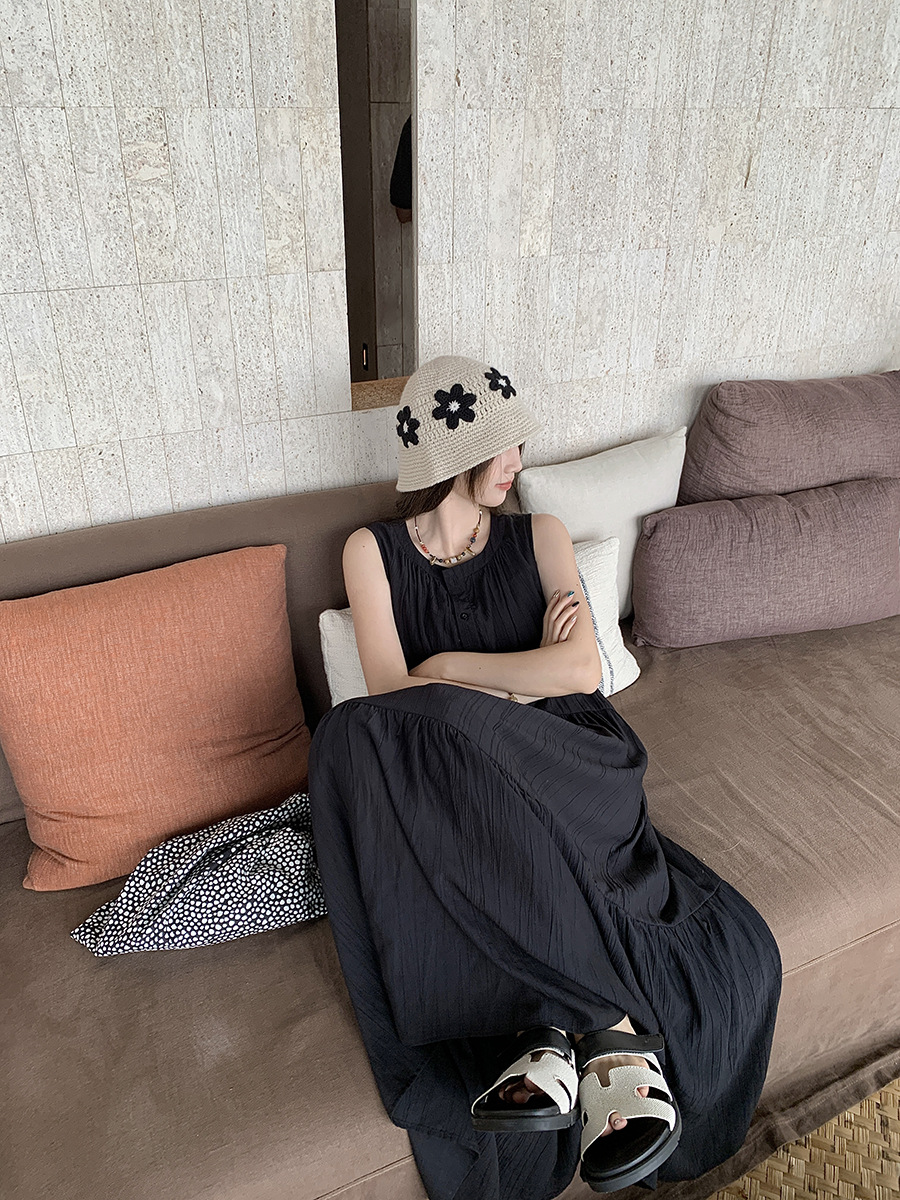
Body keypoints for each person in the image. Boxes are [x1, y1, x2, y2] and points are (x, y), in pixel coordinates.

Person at [307, 356, 782, 1200]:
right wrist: (511, 678)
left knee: (428, 732)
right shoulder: (369, 552)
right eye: (503, 447)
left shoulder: (542, 535)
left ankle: (562, 1037)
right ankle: (602, 1030)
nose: (519, 462)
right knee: (353, 736)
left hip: (568, 756)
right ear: (454, 457)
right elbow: (389, 698)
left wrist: (447, 668)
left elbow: (580, 672)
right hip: (451, 768)